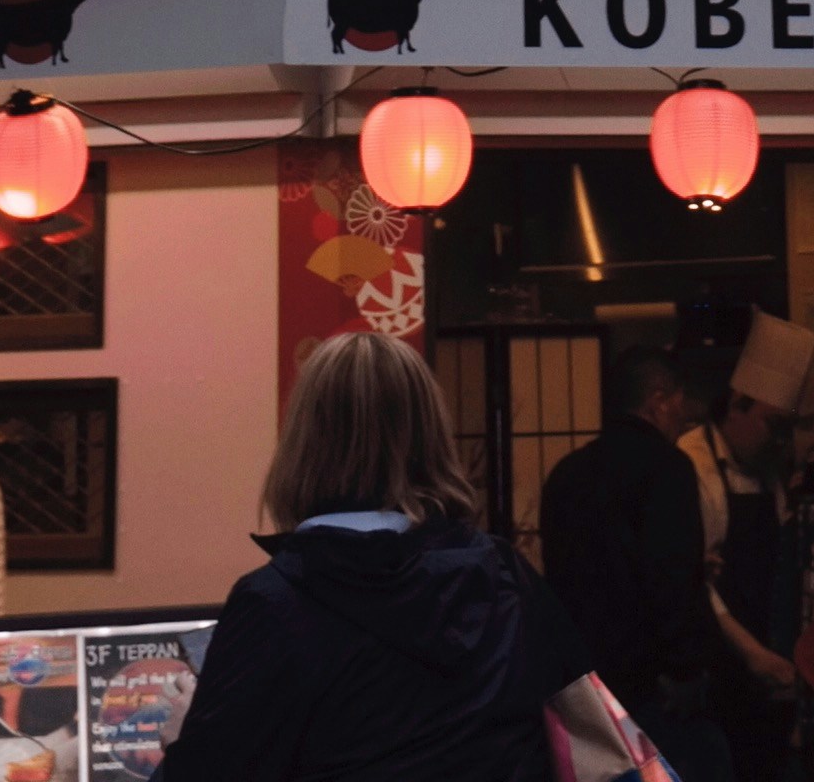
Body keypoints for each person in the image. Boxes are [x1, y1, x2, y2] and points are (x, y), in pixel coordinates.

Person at [167, 329, 584, 782]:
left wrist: (183, 738)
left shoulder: (273, 605)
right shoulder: (504, 575)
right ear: (431, 438)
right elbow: (580, 725)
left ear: (303, 444)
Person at [541, 345, 733, 782]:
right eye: (680, 402)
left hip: (583, 693)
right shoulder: (668, 469)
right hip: (653, 688)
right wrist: (686, 670)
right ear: (659, 399)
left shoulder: (566, 474)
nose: (684, 417)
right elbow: (671, 581)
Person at [680, 313, 807, 775]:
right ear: (737, 403)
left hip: (775, 659)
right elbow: (696, 582)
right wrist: (751, 653)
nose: (780, 441)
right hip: (724, 664)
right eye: (773, 426)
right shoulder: (691, 466)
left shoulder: (769, 471)